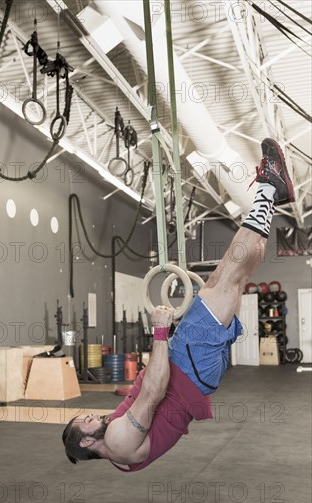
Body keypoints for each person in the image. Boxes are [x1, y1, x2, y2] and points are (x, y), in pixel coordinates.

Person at [62, 138, 295, 472]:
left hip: (188, 367)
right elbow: (154, 390)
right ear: (86, 442)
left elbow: (148, 394)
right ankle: (269, 187)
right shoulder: (116, 441)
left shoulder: (117, 442)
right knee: (228, 273)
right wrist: (159, 332)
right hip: (187, 366)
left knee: (235, 276)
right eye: (83, 422)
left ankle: (272, 193)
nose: (89, 415)